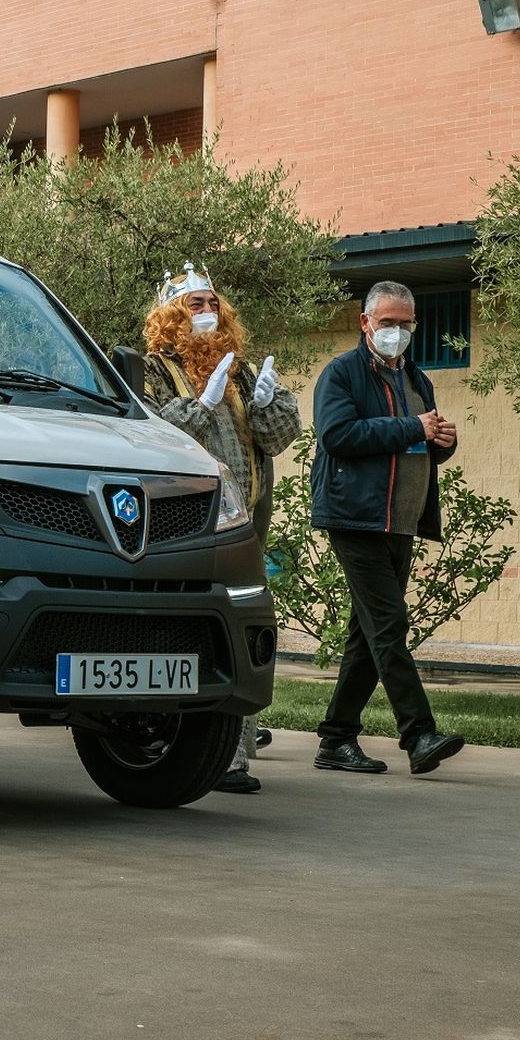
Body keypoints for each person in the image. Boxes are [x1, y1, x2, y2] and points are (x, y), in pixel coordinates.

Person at [142, 263, 301, 794]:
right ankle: (165, 736)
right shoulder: (153, 369)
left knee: (242, 622)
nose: (208, 312)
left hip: (246, 517)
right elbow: (152, 434)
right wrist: (201, 404)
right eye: (195, 305)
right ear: (170, 316)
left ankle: (233, 755)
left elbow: (277, 439)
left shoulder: (243, 368)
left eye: (213, 303)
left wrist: (267, 406)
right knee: (181, 624)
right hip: (182, 520)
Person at [310, 280, 464, 777]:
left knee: (368, 633)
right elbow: (338, 435)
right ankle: (418, 733)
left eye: (406, 324)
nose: (397, 332)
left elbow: (420, 444)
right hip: (355, 519)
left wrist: (441, 440)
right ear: (366, 324)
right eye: (388, 323)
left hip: (401, 522)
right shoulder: (342, 374)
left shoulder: (417, 380)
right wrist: (414, 428)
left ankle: (336, 739)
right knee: (389, 626)